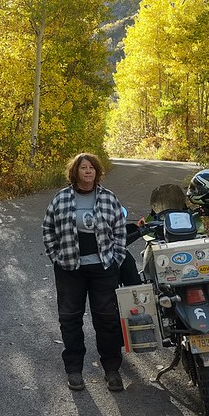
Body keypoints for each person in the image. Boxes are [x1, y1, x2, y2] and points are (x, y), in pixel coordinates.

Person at [42, 152, 128, 392]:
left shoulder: (109, 198)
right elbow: (47, 228)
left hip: (103, 269)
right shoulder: (60, 199)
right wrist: (56, 257)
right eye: (83, 168)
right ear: (75, 172)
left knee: (107, 319)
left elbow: (120, 230)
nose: (88, 171)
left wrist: (116, 259)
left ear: (97, 171)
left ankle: (112, 370)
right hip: (70, 269)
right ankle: (74, 371)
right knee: (70, 319)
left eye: (92, 167)